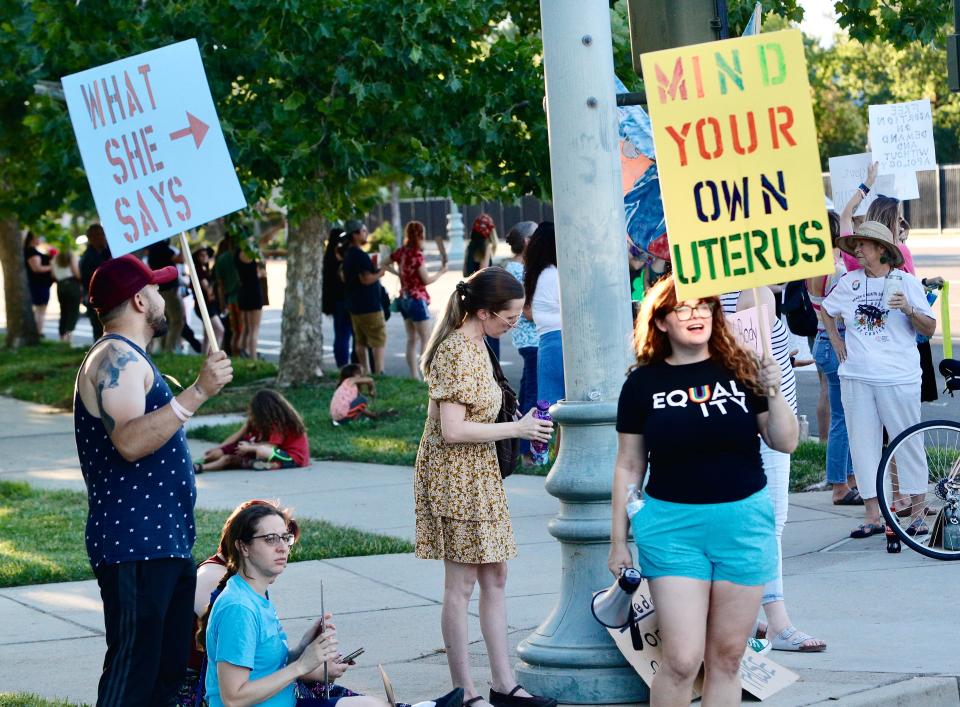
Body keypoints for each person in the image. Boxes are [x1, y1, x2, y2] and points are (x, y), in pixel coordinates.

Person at [608, 275, 798, 706]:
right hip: (673, 529)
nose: (695, 315)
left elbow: (784, 441)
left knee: (728, 659)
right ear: (660, 323)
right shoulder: (642, 385)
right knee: (681, 659)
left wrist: (773, 389)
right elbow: (629, 464)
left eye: (702, 307)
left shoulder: (744, 368)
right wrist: (618, 541)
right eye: (682, 308)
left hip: (743, 526)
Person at [74, 254, 233, 706]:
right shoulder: (113, 358)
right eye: (157, 290)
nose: (164, 298)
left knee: (165, 676)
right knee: (134, 673)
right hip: (135, 544)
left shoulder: (131, 358)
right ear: (140, 301)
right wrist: (198, 391)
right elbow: (128, 440)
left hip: (164, 542)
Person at [415, 267, 555, 707]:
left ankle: (503, 685)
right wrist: (518, 428)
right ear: (483, 311)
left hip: (478, 473)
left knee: (495, 574)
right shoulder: (457, 350)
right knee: (461, 585)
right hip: (453, 477)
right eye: (510, 318)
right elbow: (452, 430)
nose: (514, 325)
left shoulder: (478, 346)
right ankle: (466, 693)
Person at [199, 501, 465, 707]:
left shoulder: (254, 596)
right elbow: (233, 698)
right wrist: (301, 666)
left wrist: (302, 647)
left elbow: (262, 667)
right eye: (270, 539)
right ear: (243, 547)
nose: (282, 547)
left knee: (367, 704)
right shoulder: (239, 608)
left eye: (285, 538)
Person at [720, 287, 823, 652]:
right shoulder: (753, 293)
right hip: (765, 428)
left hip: (755, 425)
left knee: (753, 527)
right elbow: (751, 367)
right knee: (768, 526)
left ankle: (749, 620)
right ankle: (777, 624)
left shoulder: (732, 295)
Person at [822, 221, 936, 538]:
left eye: (863, 245)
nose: (857, 250)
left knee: (908, 441)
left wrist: (910, 308)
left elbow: (928, 328)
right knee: (863, 445)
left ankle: (916, 514)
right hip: (857, 376)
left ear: (882, 250)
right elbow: (826, 310)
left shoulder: (907, 282)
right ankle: (874, 515)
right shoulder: (849, 282)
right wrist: (836, 341)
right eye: (855, 245)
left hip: (899, 377)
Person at [807, 211, 858, 505]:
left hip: (822, 342)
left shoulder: (814, 268)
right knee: (842, 419)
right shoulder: (836, 270)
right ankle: (839, 485)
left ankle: (847, 479)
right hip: (833, 341)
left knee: (844, 416)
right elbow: (838, 311)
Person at [388, 220, 448, 379]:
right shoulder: (416, 254)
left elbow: (384, 263)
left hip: (404, 299)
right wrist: (441, 271)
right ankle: (425, 376)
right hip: (416, 299)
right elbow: (426, 279)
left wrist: (398, 274)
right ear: (421, 235)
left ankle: (414, 376)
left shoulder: (401, 252)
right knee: (425, 338)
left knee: (411, 339)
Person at [197, 389, 310, 473]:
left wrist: (250, 447)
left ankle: (272, 465)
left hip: (292, 458)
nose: (252, 416)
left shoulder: (278, 424)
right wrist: (220, 448)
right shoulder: (256, 421)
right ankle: (199, 465)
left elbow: (271, 447)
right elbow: (237, 436)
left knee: (262, 451)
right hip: (270, 452)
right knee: (227, 456)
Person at [503, 221, 540, 465]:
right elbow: (527, 311)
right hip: (533, 340)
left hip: (532, 340)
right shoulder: (518, 272)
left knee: (528, 391)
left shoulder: (524, 269)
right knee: (535, 394)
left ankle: (523, 448)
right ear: (527, 242)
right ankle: (530, 451)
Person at [523, 223, 564, 408]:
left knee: (546, 410)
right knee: (564, 409)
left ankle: (536, 438)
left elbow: (529, 313)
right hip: (561, 342)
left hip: (546, 343)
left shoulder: (536, 274)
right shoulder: (554, 274)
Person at [341, 219, 387, 375]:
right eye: (363, 231)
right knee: (378, 340)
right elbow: (366, 279)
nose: (366, 233)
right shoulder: (360, 255)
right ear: (355, 235)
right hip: (369, 305)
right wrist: (381, 272)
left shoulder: (348, 254)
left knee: (360, 342)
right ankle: (379, 372)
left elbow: (342, 276)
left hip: (354, 305)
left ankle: (365, 371)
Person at [322, 227, 355, 368]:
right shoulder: (340, 256)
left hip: (335, 300)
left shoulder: (327, 256)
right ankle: (345, 365)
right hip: (343, 300)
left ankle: (342, 364)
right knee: (345, 334)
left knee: (341, 334)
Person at [329, 364, 394, 424]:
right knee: (363, 400)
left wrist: (373, 415)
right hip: (343, 417)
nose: (362, 377)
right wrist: (371, 390)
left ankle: (370, 417)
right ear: (354, 374)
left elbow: (361, 409)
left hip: (337, 419)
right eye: (360, 374)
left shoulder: (346, 388)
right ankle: (355, 421)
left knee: (360, 403)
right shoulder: (350, 380)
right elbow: (370, 380)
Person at [79, 224, 112, 341]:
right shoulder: (88, 258)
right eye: (99, 235)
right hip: (98, 300)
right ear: (91, 238)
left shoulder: (107, 252)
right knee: (99, 331)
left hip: (110, 297)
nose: (103, 237)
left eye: (103, 234)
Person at [191, 246, 225, 353]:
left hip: (207, 305)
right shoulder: (199, 270)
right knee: (219, 330)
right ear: (197, 258)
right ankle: (214, 355)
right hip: (205, 306)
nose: (205, 257)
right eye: (202, 255)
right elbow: (206, 287)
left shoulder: (204, 269)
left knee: (207, 334)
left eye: (206, 254)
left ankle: (204, 356)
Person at [214, 236, 244, 356]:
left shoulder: (221, 259)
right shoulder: (241, 256)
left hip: (230, 299)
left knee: (235, 331)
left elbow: (220, 285)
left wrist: (222, 303)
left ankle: (235, 354)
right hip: (242, 298)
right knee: (243, 331)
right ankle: (241, 355)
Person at [237, 240, 266, 360]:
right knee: (254, 329)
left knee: (247, 328)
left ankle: (243, 352)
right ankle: (253, 358)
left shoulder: (237, 254)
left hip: (244, 291)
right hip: (253, 293)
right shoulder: (247, 255)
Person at [23, 231, 54, 336]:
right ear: (32, 239)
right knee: (40, 310)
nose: (40, 239)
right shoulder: (31, 252)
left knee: (40, 310)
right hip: (39, 285)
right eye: (38, 237)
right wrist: (52, 267)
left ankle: (38, 331)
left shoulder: (33, 251)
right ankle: (38, 332)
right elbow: (37, 268)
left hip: (41, 284)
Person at [52, 242, 82, 342]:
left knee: (63, 311)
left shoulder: (55, 258)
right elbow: (76, 272)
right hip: (72, 284)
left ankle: (62, 335)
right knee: (73, 310)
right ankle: (69, 335)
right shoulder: (71, 256)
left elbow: (53, 275)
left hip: (60, 285)